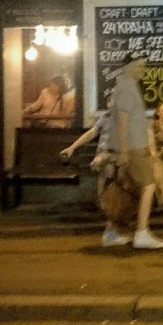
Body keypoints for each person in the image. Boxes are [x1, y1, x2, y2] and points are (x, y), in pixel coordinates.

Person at [113, 59, 163, 249]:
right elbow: (122, 120)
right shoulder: (127, 88)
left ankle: (112, 232)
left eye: (143, 66)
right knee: (148, 185)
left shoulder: (128, 86)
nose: (143, 70)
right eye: (138, 66)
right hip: (134, 147)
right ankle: (142, 232)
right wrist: (124, 150)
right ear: (127, 68)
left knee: (129, 189)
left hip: (134, 146)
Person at [62, 95, 134, 245]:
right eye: (110, 100)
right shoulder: (105, 118)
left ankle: (111, 231)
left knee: (114, 194)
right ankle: (111, 232)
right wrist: (72, 147)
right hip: (105, 159)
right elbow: (91, 133)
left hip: (116, 159)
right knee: (108, 194)